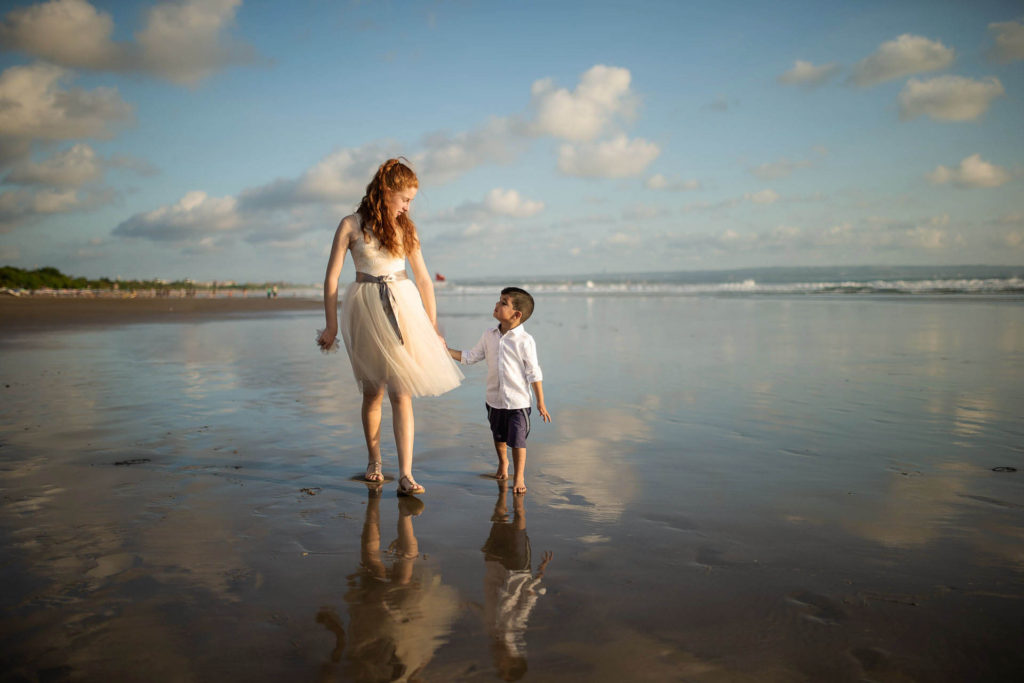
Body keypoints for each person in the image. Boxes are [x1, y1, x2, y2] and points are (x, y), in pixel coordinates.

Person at [318, 158, 463, 495]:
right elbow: (331, 278)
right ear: (385, 192)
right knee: (373, 391)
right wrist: (331, 326)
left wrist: (433, 327)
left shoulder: (406, 228)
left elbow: (425, 280)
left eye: (411, 200)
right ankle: (374, 461)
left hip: (403, 306)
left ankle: (407, 474)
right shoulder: (351, 225)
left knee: (402, 392)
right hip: (366, 307)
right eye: (405, 199)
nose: (408, 207)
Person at [447, 287, 550, 494]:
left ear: (517, 314)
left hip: (518, 402)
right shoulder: (489, 335)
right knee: (499, 436)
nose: (497, 304)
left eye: (503, 302)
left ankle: (519, 476)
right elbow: (470, 356)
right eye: (499, 300)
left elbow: (534, 373)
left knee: (518, 440)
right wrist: (444, 350)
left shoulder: (525, 341)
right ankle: (503, 463)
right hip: (494, 399)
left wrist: (540, 402)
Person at [481, 483, 553, 680]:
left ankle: (503, 487)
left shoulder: (493, 634)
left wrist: (462, 604)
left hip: (495, 564)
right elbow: (528, 602)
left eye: (498, 667)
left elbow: (485, 609)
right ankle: (515, 490)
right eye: (502, 666)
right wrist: (539, 574)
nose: (497, 663)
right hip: (517, 568)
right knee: (518, 522)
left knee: (499, 520)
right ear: (513, 660)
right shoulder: (514, 633)